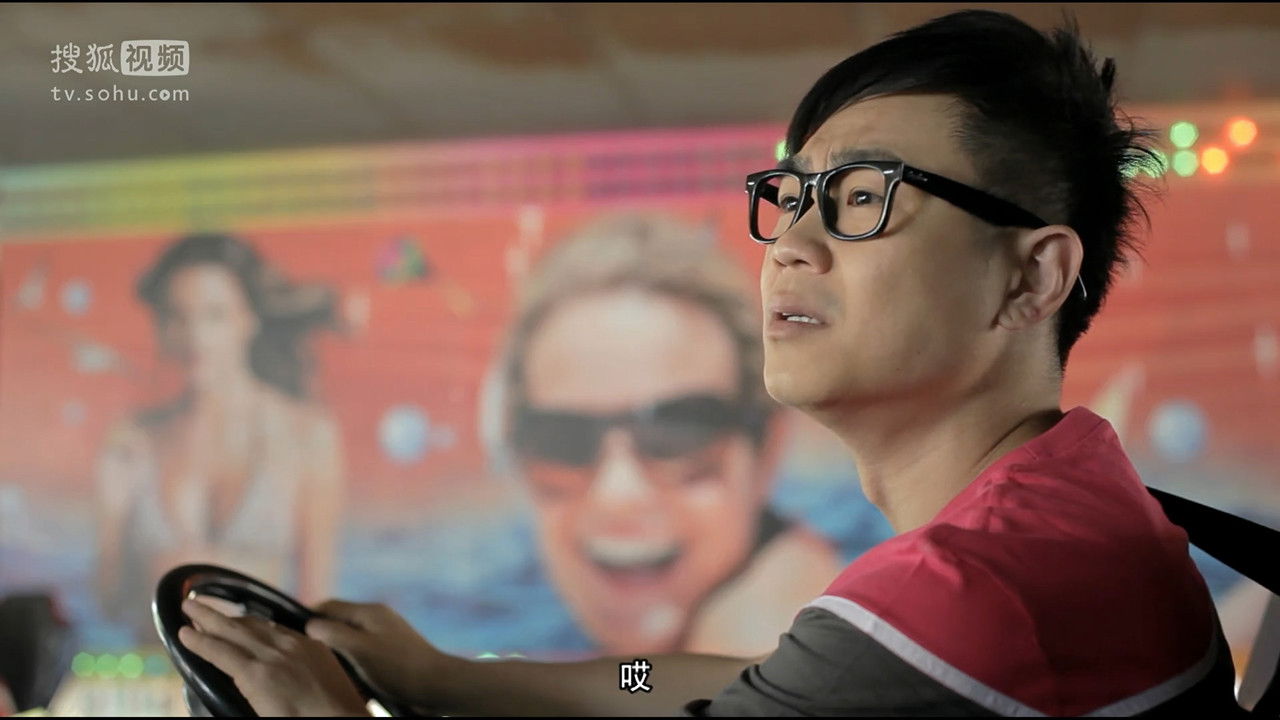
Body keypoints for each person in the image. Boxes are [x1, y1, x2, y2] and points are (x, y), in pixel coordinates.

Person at [176, 10, 1245, 716]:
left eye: (862, 196)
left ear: (1031, 278)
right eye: (793, 195)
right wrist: (446, 678)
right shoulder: (1072, 499)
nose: (790, 243)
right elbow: (701, 682)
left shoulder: (967, 596)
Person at [479, 213, 843, 657]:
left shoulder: (796, 650)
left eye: (676, 431)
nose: (618, 494)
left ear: (767, 450)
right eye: (562, 439)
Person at [95, 232, 346, 642]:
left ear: (249, 319)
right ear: (162, 326)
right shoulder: (133, 441)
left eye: (214, 315)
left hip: (259, 675)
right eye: (178, 316)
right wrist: (115, 519)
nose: (195, 335)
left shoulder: (306, 435)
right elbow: (109, 601)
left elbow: (316, 602)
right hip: (154, 670)